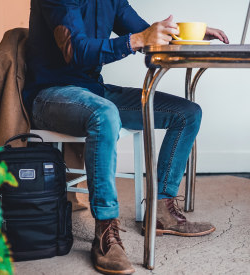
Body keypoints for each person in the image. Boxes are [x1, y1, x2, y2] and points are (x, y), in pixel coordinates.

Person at [23, 0, 229, 274]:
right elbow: (76, 50)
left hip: (95, 93)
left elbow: (145, 32)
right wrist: (135, 40)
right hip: (50, 95)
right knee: (105, 115)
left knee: (187, 113)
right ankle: (105, 233)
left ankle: (161, 212)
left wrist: (188, 35)